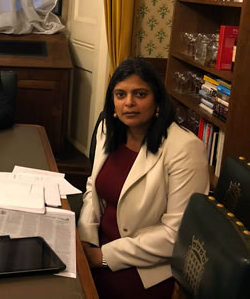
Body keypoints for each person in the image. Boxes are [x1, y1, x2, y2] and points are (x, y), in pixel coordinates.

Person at [78, 57, 209, 298]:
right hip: (97, 244)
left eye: (140, 94)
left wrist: (103, 256)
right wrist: (86, 240)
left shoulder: (185, 149)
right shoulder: (108, 129)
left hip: (144, 266)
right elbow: (92, 189)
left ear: (157, 99)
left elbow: (176, 234)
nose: (129, 103)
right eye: (120, 95)